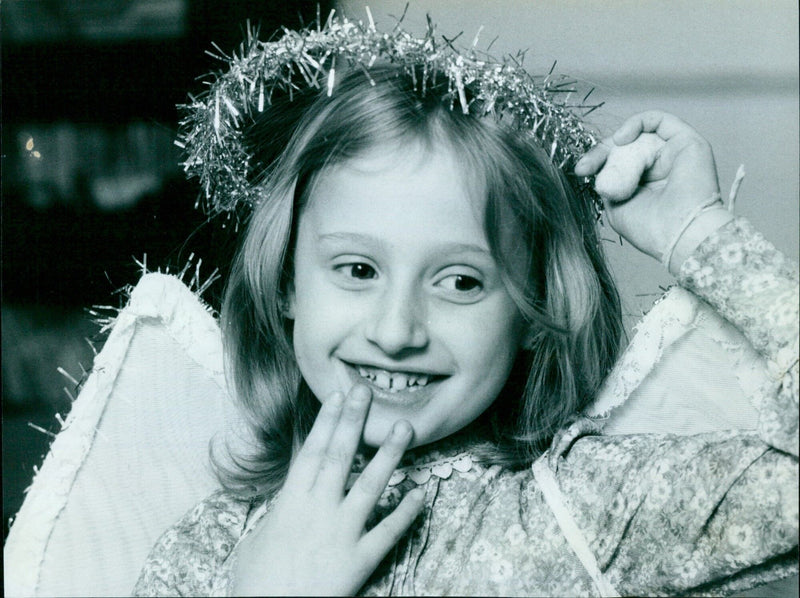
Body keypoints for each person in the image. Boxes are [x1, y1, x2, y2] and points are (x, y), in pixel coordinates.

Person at [133, 15, 798, 597]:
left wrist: (700, 235)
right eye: (358, 269)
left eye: (460, 283)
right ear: (286, 283)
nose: (396, 332)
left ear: (538, 311)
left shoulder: (590, 508)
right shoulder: (208, 552)